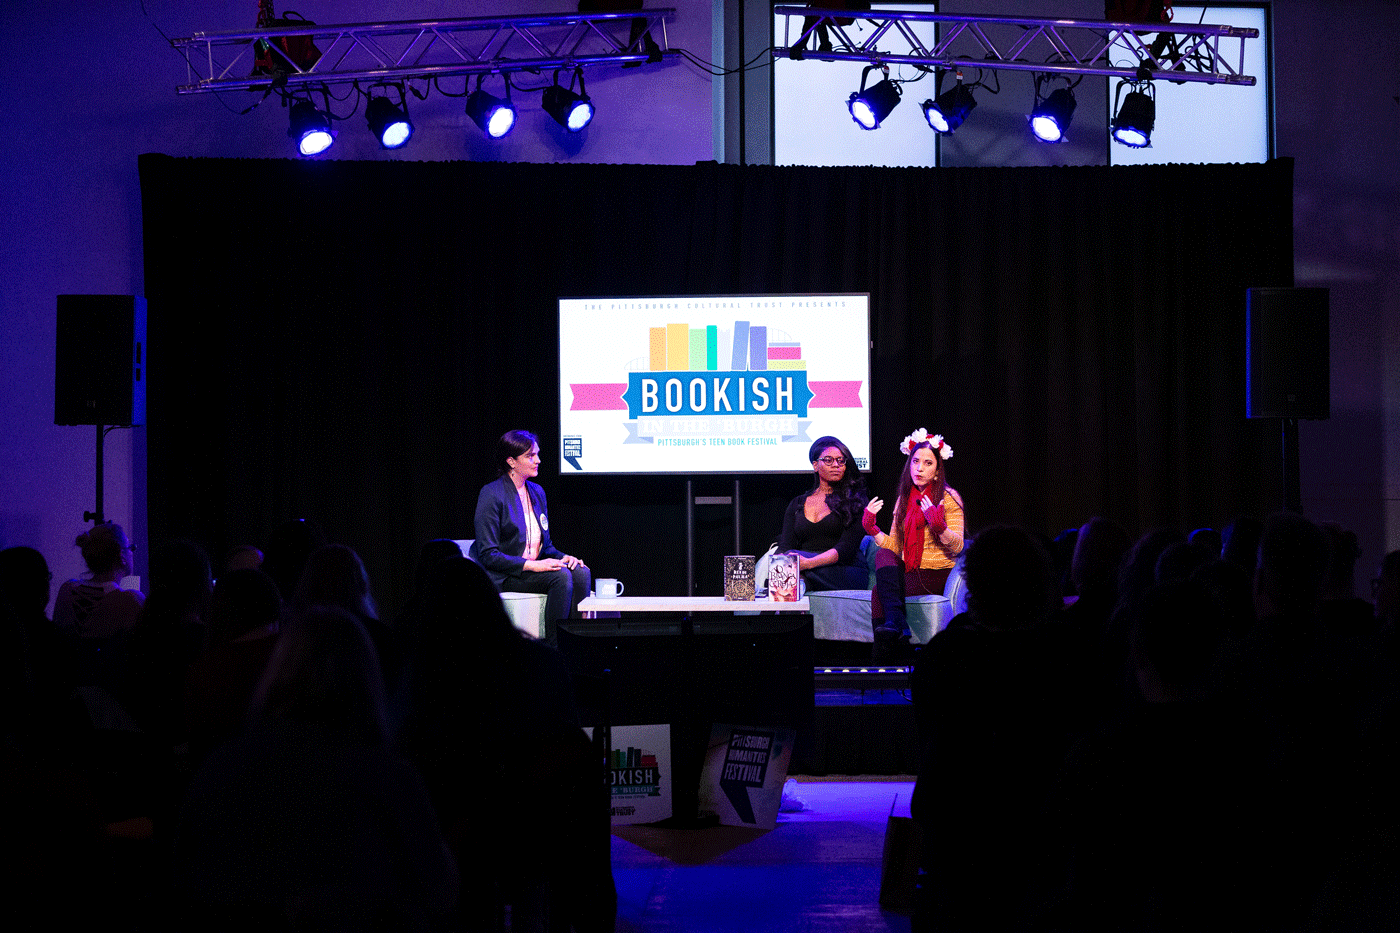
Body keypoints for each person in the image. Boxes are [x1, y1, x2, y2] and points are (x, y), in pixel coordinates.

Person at [472, 429, 590, 645]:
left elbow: (546, 547)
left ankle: (578, 641)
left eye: (537, 454)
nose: (538, 460)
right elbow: (488, 555)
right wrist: (532, 565)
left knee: (580, 572)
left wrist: (565, 557)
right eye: (530, 455)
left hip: (533, 570)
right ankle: (556, 648)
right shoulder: (491, 494)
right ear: (511, 462)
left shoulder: (537, 492)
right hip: (506, 574)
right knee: (561, 577)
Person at [862, 429, 964, 646]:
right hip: (911, 570)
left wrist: (940, 528)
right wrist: (872, 529)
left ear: (937, 471)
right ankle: (897, 626)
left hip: (937, 574)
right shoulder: (904, 500)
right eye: (916, 461)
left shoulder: (949, 498)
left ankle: (887, 651)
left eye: (928, 463)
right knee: (883, 556)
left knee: (879, 593)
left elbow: (958, 547)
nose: (919, 468)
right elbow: (895, 546)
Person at [775, 435, 870, 592]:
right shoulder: (797, 504)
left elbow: (845, 550)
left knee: (791, 565)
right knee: (786, 573)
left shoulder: (856, 500)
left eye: (841, 461)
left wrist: (806, 563)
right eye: (828, 460)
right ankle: (798, 589)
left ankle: (796, 584)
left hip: (845, 570)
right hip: (806, 568)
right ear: (815, 465)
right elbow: (785, 546)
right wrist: (778, 564)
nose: (836, 465)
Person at [52, 521, 144, 639]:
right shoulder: (131, 600)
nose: (132, 553)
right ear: (121, 555)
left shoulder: (67, 590)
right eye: (130, 548)